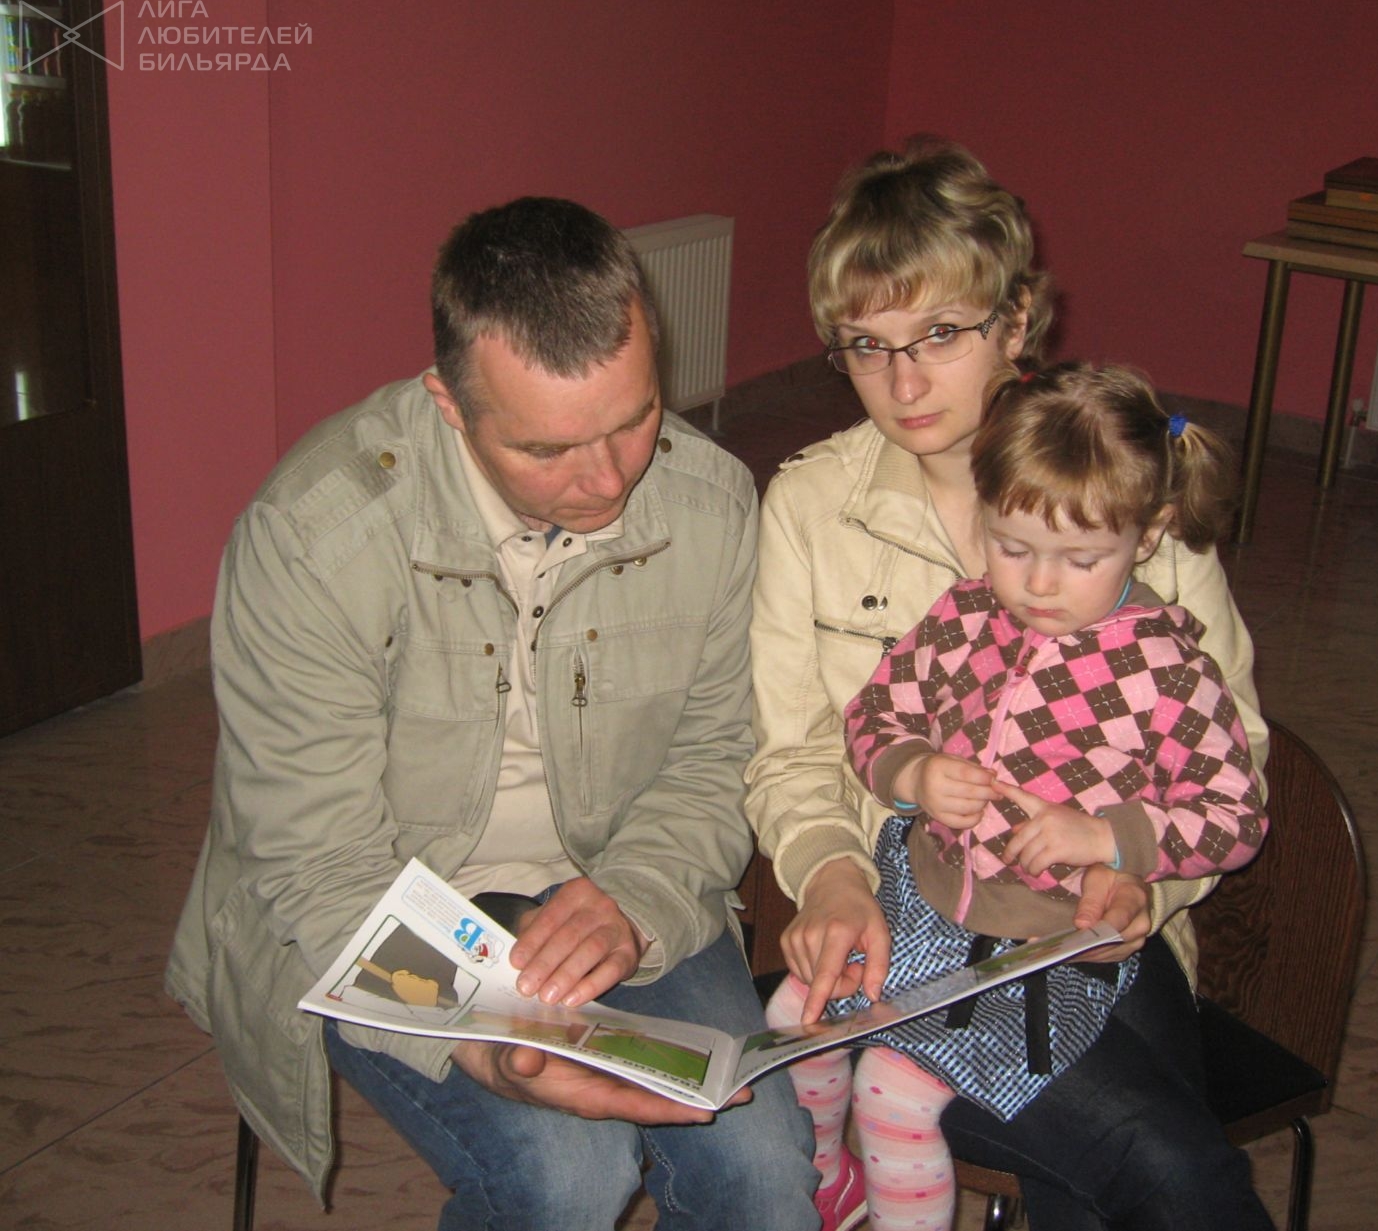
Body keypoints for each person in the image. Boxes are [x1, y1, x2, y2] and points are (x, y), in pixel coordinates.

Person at [166, 197, 818, 1231]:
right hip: (386, 900)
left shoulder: (712, 501)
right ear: (447, 403)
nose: (609, 478)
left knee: (765, 1172)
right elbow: (317, 863)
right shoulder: (312, 537)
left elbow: (714, 752)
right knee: (566, 1176)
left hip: (615, 869)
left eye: (636, 418)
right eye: (547, 450)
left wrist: (637, 895)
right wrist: (475, 1038)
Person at [744, 138, 1273, 1230]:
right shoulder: (810, 506)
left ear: (1016, 321)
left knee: (1147, 1170)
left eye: (940, 334)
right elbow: (793, 749)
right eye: (867, 344)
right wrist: (831, 875)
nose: (903, 383)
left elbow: (1235, 757)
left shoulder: (1118, 485)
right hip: (908, 929)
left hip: (1105, 932)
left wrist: (1137, 879)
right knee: (1164, 1166)